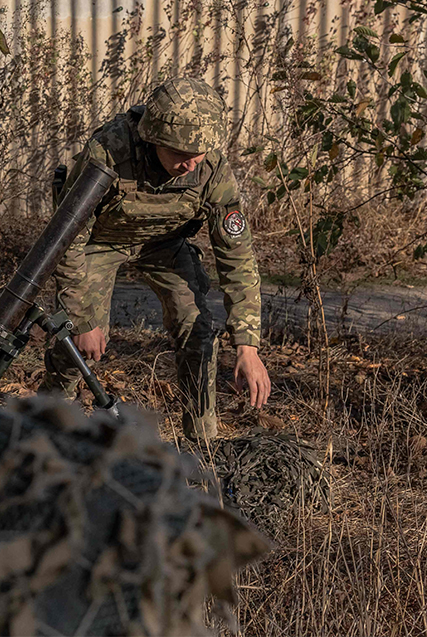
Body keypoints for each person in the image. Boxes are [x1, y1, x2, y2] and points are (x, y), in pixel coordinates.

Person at [40, 77, 270, 440]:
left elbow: (238, 257)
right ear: (153, 139)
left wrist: (248, 344)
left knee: (196, 329)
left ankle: (202, 440)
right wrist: (82, 319)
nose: (190, 164)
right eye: (179, 153)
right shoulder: (110, 150)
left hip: (165, 244)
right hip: (100, 242)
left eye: (198, 153)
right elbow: (67, 241)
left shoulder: (210, 170)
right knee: (74, 344)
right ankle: (46, 428)